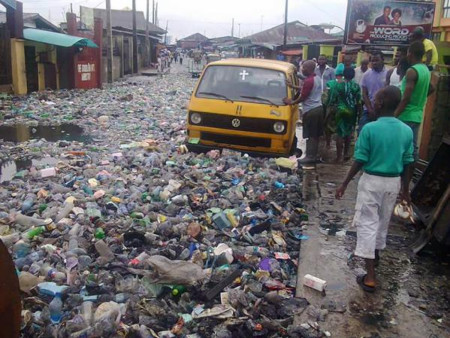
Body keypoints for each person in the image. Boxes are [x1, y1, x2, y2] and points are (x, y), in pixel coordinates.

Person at [336, 86, 414, 293]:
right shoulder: (406, 130)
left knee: (368, 224)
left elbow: (360, 160)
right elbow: (408, 162)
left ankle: (370, 276)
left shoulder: (369, 129)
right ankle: (375, 257)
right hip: (393, 183)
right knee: (382, 222)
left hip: (372, 182)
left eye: (375, 98)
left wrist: (344, 183)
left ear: (379, 104)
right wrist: (405, 191)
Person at [394, 41, 434, 160]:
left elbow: (406, 98)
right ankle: (408, 178)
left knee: (400, 149)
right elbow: (432, 88)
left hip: (405, 115)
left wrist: (395, 115)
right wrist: (420, 97)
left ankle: (400, 176)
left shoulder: (411, 71)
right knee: (411, 148)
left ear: (410, 53)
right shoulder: (425, 69)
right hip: (417, 115)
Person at [284, 60, 323, 164]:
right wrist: (293, 86)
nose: (302, 69)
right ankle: (313, 155)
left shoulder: (309, 81)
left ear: (309, 69)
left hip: (311, 110)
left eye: (304, 68)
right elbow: (305, 88)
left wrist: (291, 102)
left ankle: (310, 156)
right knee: (315, 135)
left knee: (311, 135)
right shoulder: (317, 78)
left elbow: (303, 96)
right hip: (318, 108)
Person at [328, 68, 361, 162]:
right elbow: (358, 101)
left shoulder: (338, 85)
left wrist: (329, 108)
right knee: (349, 132)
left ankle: (338, 157)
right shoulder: (356, 86)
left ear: (343, 75)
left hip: (340, 110)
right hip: (352, 111)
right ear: (353, 75)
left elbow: (332, 99)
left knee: (339, 133)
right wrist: (359, 114)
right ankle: (346, 153)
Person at [359, 52, 387, 132]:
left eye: (376, 60)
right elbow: (364, 94)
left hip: (383, 111)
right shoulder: (366, 75)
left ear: (383, 60)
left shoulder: (388, 74)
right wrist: (370, 109)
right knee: (362, 132)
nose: (374, 63)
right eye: (372, 61)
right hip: (368, 110)